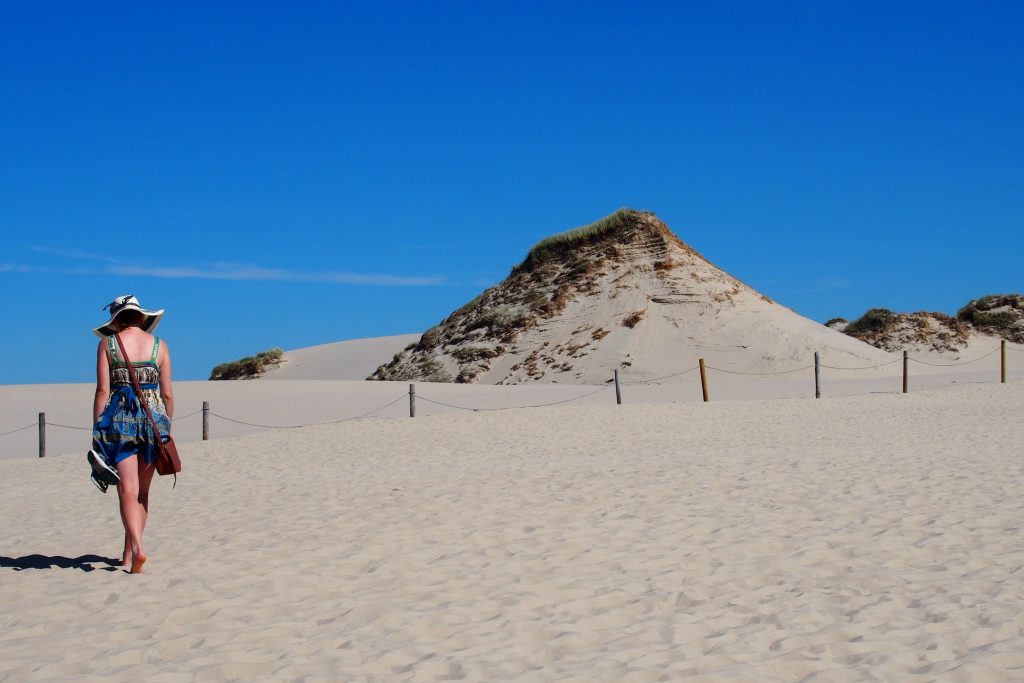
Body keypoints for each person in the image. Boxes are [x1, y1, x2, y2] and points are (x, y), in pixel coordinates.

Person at [91, 295, 173, 574]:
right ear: (141, 317)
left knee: (127, 489)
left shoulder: (108, 345)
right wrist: (165, 427)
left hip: (120, 422)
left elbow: (103, 391)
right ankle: (128, 554)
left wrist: (97, 432)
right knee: (143, 492)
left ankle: (136, 547)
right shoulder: (160, 346)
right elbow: (167, 393)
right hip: (154, 424)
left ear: (115, 319)